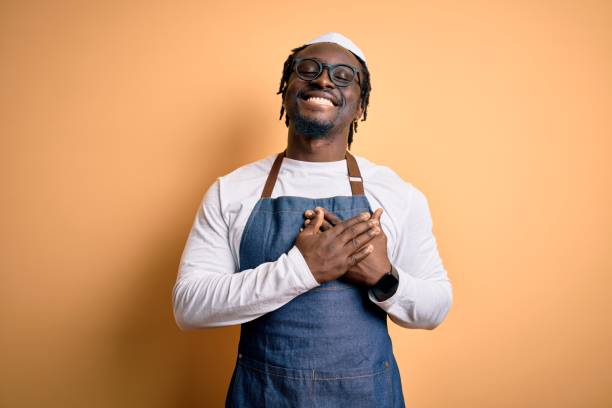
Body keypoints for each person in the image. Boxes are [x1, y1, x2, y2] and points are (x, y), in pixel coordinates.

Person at [172, 32, 453, 407]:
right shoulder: (232, 190)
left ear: (360, 107)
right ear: (286, 91)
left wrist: (384, 278)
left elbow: (436, 308)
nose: (323, 80)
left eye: (342, 76)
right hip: (263, 397)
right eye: (309, 69)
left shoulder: (398, 194)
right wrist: (303, 270)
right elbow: (190, 307)